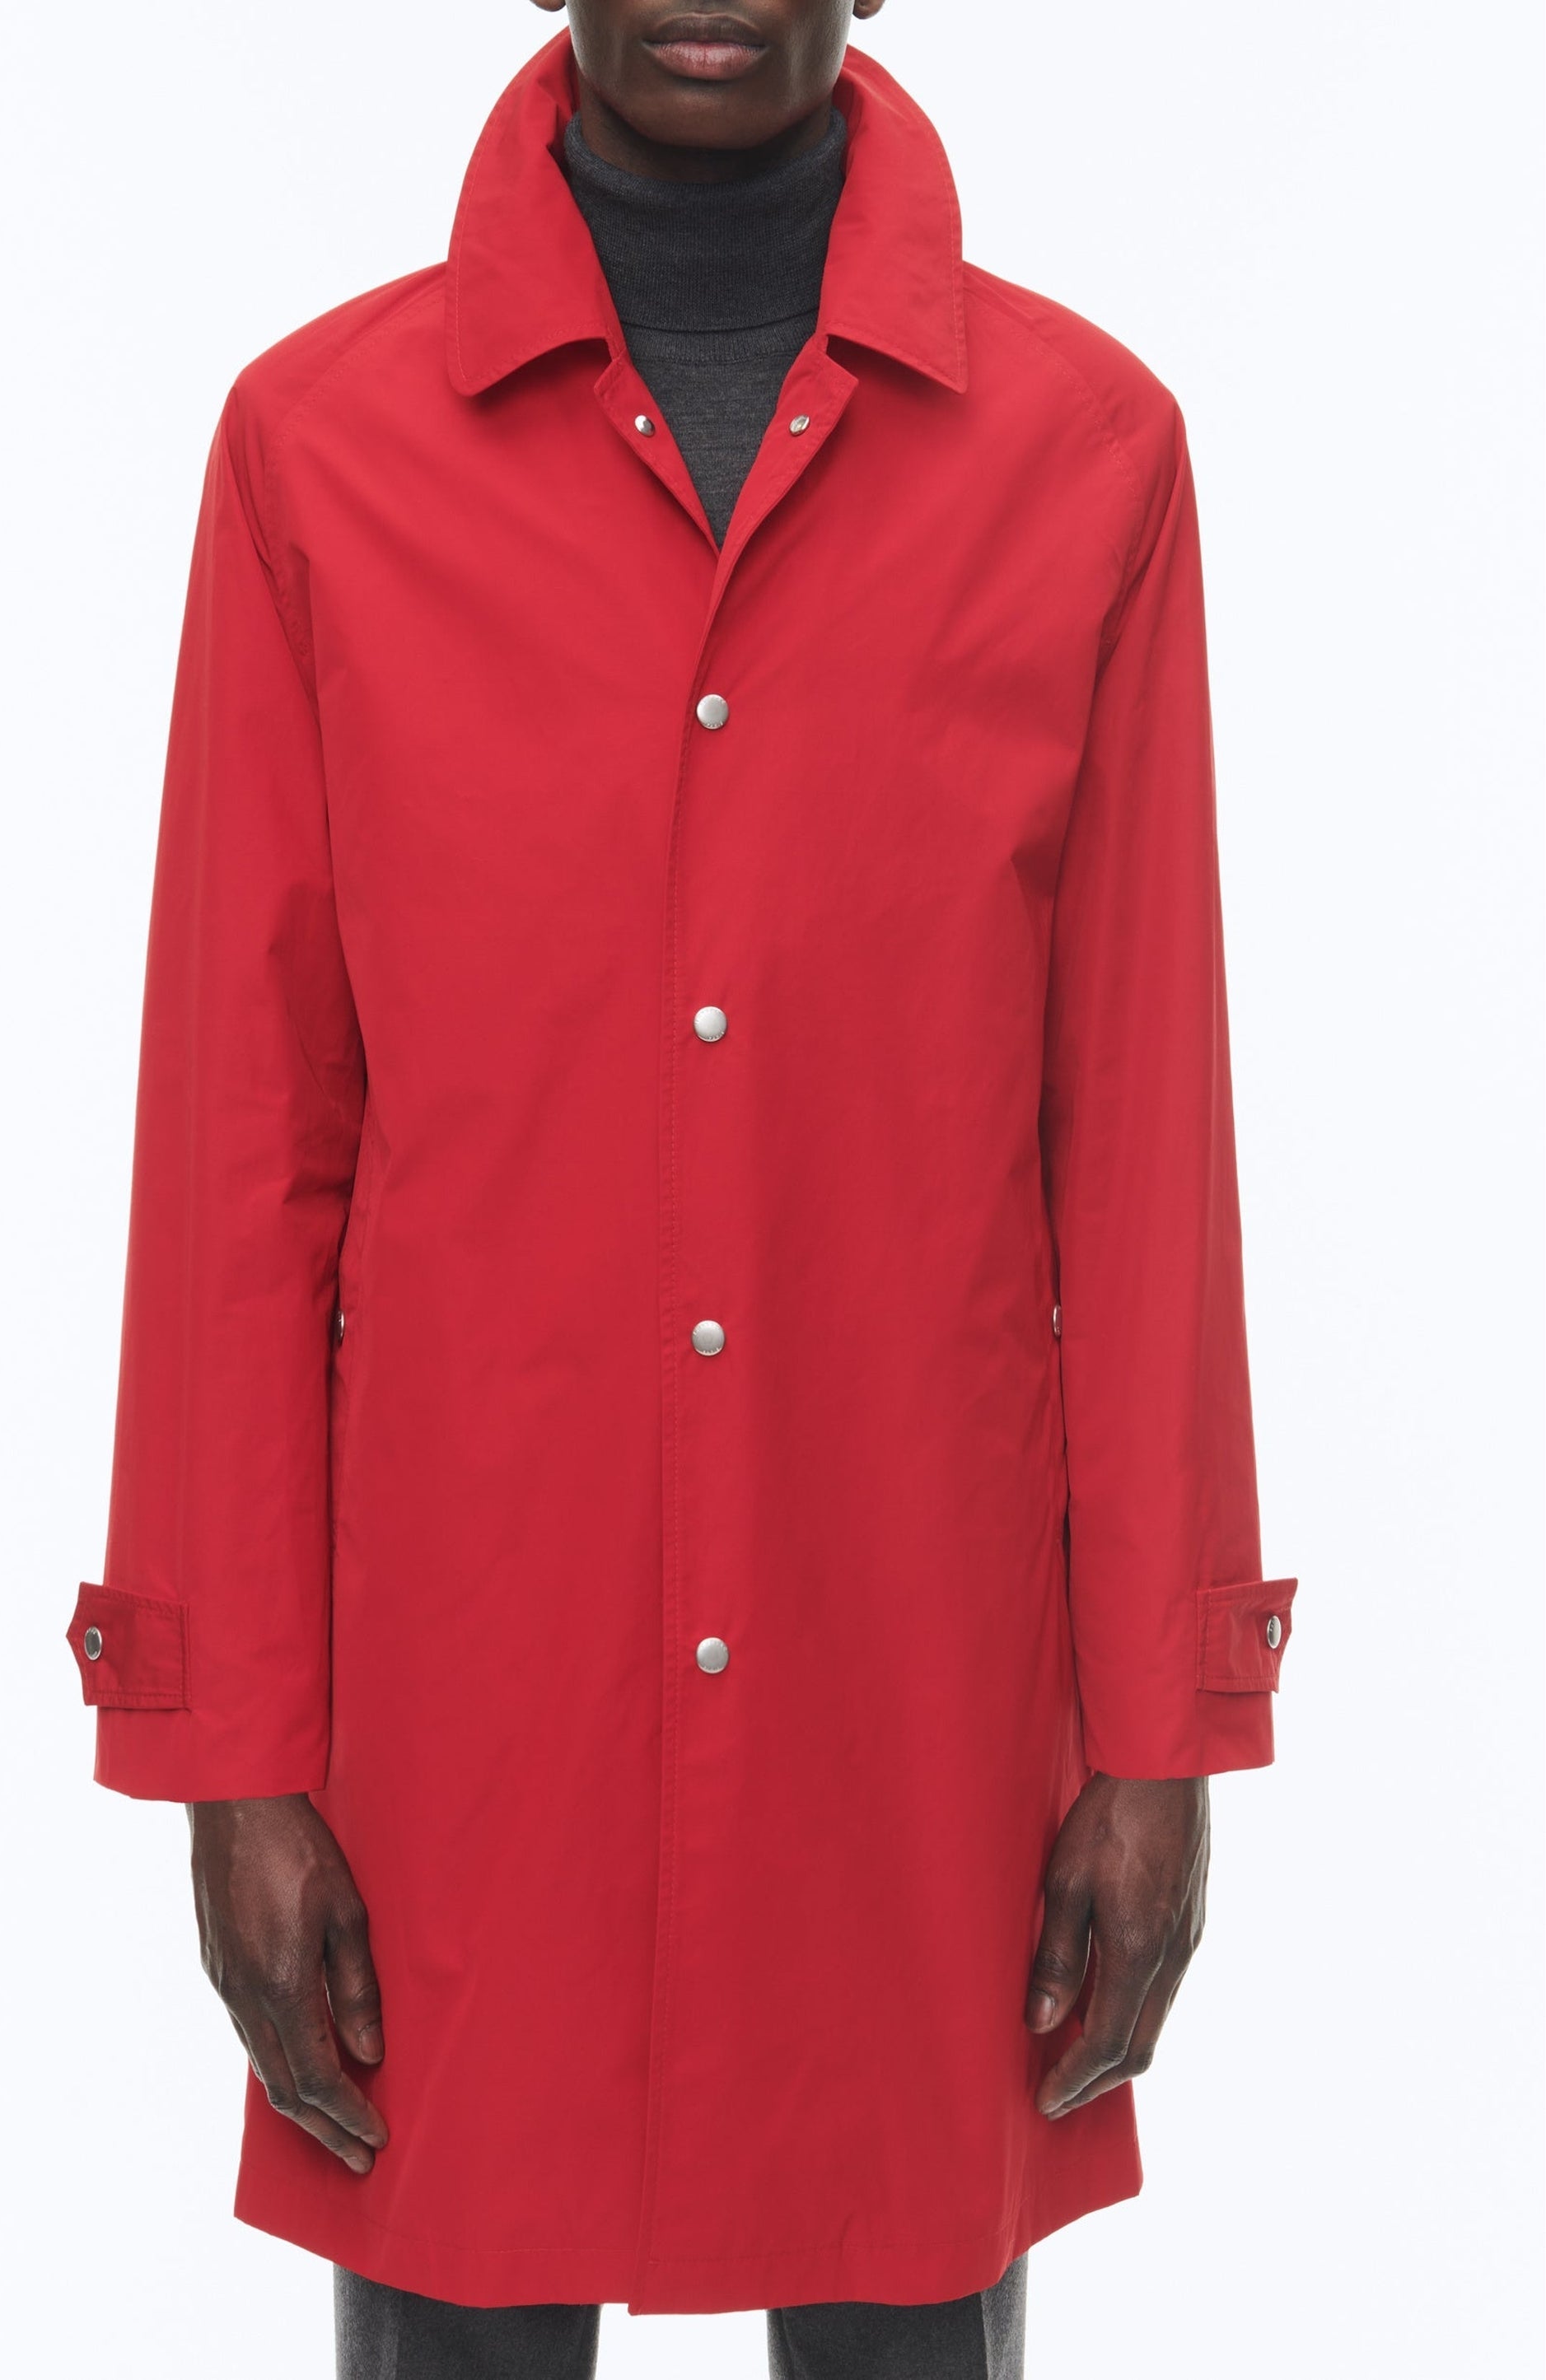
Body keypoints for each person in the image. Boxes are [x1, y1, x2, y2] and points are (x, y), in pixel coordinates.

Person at [66, 6, 1296, 2375]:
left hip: (908, 1698)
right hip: (462, 1715)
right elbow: (240, 1151)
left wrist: (1162, 1730)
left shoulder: (1085, 458)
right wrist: (231, 1755)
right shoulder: (317, 453)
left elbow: (1141, 1147)